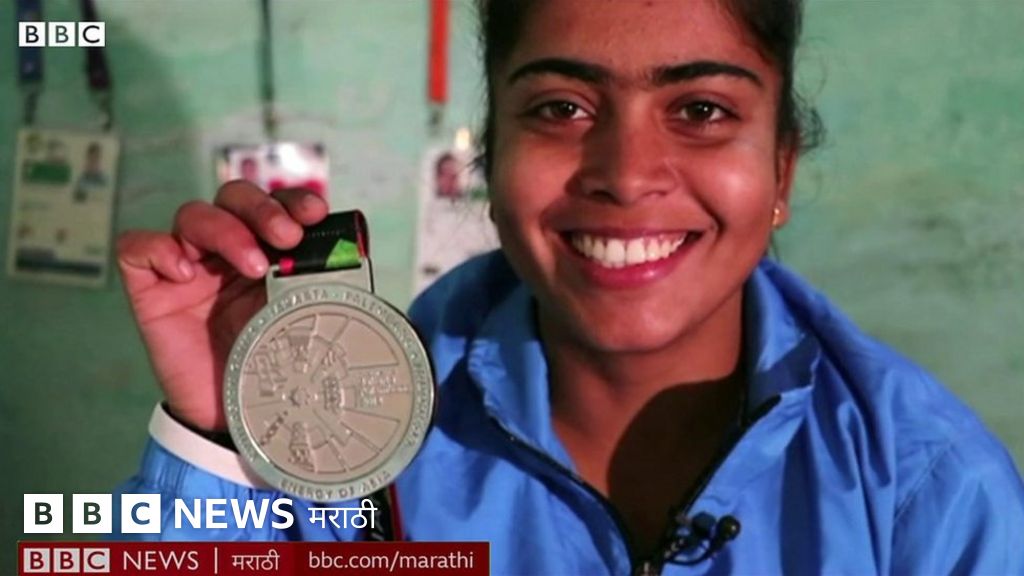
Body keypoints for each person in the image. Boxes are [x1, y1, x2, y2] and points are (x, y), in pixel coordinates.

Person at [114, 1, 1024, 574]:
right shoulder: (337, 435)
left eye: (701, 110)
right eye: (562, 108)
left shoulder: (930, 496)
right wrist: (215, 441)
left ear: (780, 170)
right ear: (492, 161)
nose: (626, 175)